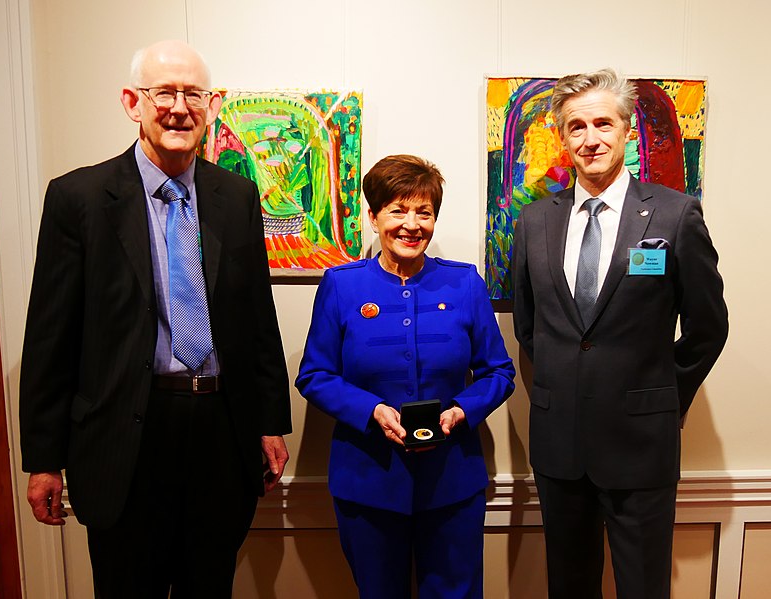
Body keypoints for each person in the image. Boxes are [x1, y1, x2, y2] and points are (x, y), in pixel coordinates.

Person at [19, 40, 291, 598]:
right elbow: (51, 336)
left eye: (193, 94)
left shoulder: (236, 196)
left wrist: (270, 421)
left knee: (209, 586)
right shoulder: (79, 198)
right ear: (131, 102)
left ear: (211, 104)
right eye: (163, 92)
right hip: (124, 439)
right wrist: (44, 459)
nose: (178, 107)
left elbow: (257, 319)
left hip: (220, 432)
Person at [512, 68, 728, 599]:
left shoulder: (676, 215)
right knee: (568, 585)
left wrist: (662, 399)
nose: (591, 139)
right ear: (562, 139)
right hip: (559, 446)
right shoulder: (534, 222)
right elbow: (529, 328)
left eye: (603, 124)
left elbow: (708, 327)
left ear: (627, 131)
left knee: (642, 587)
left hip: (641, 446)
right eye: (576, 127)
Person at [296, 154, 516, 599]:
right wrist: (371, 409)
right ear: (373, 215)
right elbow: (315, 374)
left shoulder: (465, 284)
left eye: (424, 212)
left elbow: (499, 372)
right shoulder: (341, 285)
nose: (411, 224)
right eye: (398, 210)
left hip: (452, 480)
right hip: (368, 479)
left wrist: (462, 410)